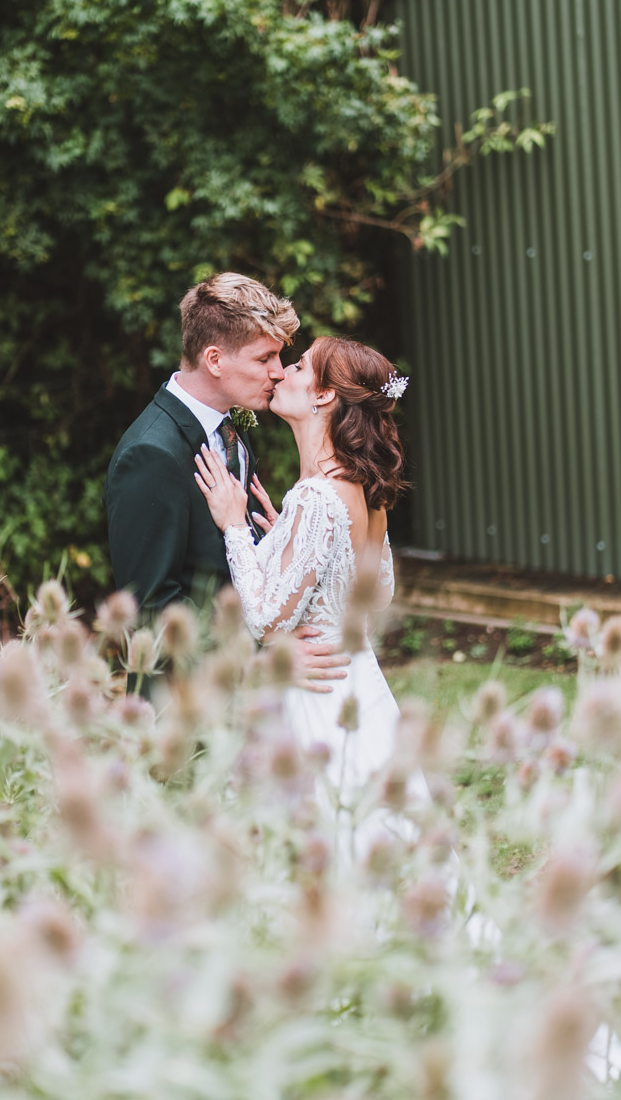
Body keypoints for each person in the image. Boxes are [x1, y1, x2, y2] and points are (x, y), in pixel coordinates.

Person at [194, 335, 419, 845]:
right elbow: (375, 592)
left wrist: (235, 526)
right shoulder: (363, 487)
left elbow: (268, 620)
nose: (280, 372)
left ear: (323, 396)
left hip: (315, 696)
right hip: (359, 685)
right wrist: (284, 543)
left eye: (296, 365)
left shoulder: (316, 497)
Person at [104, 273, 351, 692]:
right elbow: (153, 609)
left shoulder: (230, 429)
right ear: (215, 360)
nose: (277, 372)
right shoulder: (151, 456)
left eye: (280, 357)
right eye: (264, 359)